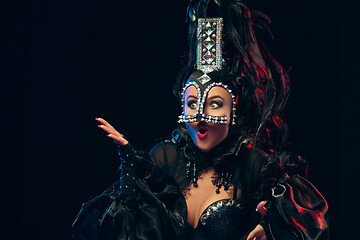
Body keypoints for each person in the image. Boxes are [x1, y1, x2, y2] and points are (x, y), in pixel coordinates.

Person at [72, 1, 329, 239]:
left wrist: (271, 226)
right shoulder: (164, 158)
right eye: (192, 104)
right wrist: (129, 167)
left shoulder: (254, 165)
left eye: (214, 104)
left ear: (232, 111)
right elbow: (126, 228)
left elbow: (308, 222)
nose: (199, 117)